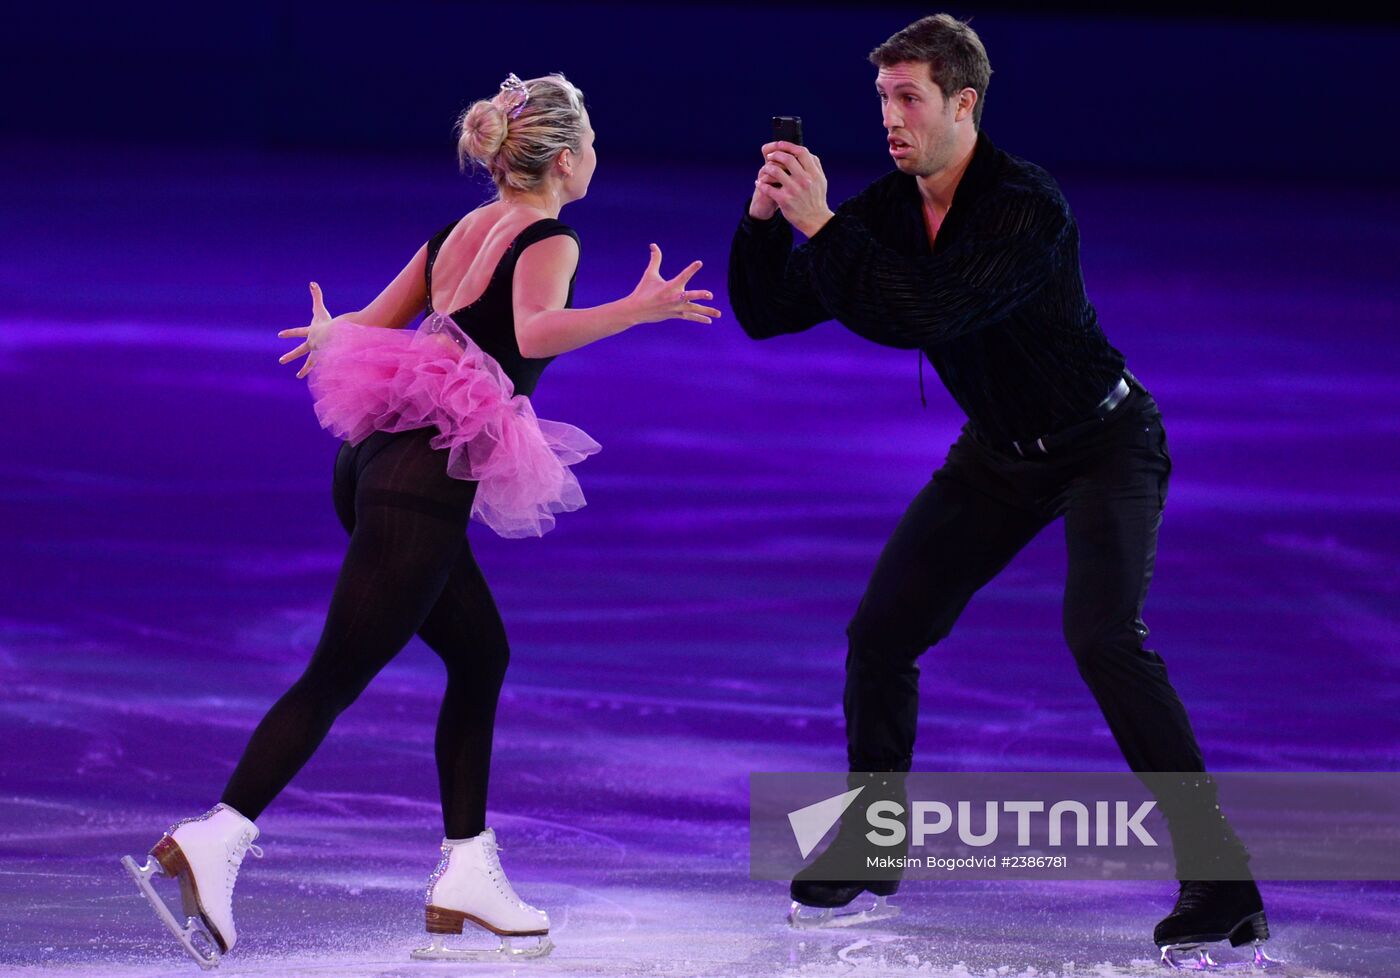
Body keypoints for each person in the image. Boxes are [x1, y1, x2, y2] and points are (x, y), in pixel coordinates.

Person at [120, 72, 721, 968]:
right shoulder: (550, 236)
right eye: (590, 143)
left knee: (481, 654)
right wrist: (640, 310)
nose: (596, 157)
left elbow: (370, 322)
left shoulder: (459, 230)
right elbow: (536, 331)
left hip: (370, 464)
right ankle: (214, 838)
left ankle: (467, 871)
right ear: (564, 158)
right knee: (336, 673)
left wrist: (333, 336)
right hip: (419, 483)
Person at [728, 14, 1270, 964]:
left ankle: (1222, 880)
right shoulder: (894, 208)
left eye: (909, 99)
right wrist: (767, 218)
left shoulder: (1027, 204)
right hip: (999, 457)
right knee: (882, 633)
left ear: (962, 104)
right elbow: (770, 312)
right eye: (882, 99)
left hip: (1105, 441)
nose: (890, 119)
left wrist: (823, 224)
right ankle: (874, 841)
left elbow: (922, 310)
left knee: (1104, 637)